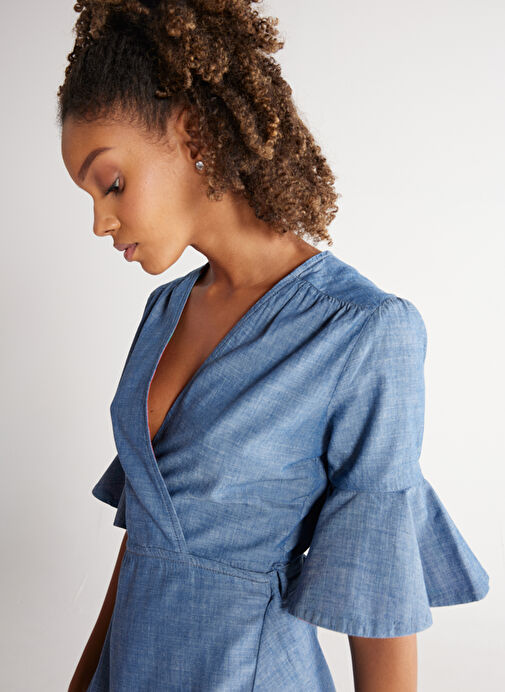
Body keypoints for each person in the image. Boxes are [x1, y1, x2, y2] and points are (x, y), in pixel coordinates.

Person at [58, 2, 489, 690]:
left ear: (194, 132)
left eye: (111, 183)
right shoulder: (164, 312)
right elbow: (147, 541)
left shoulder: (362, 330)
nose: (99, 220)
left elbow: (377, 590)